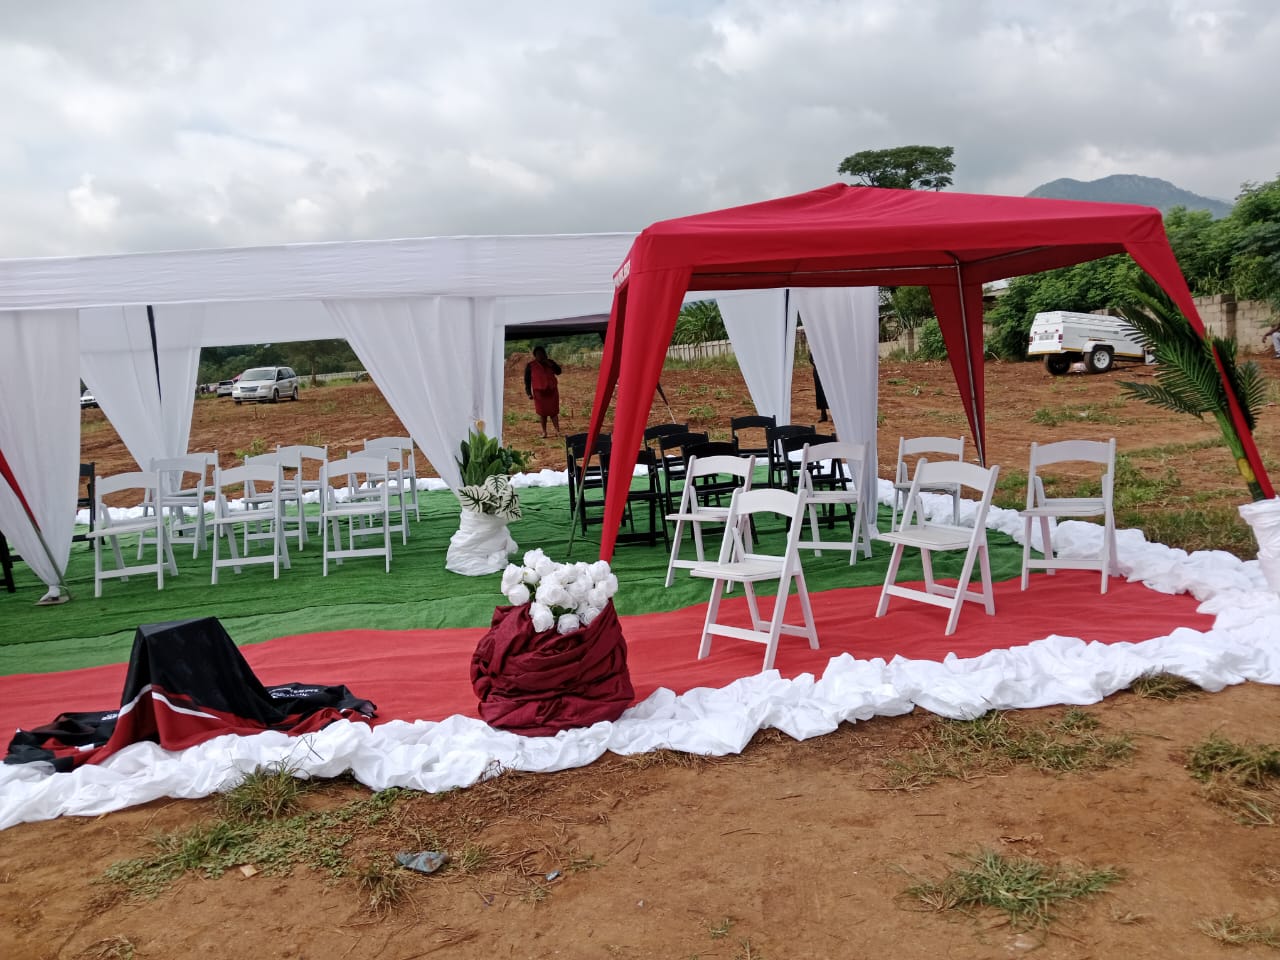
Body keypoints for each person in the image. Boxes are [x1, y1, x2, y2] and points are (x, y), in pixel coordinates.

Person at [524, 345, 563, 437]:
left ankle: (557, 431)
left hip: (552, 392)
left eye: (542, 354)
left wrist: (550, 364)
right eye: (538, 354)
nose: (541, 356)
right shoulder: (530, 366)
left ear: (545, 355)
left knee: (554, 412)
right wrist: (529, 393)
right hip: (539, 394)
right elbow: (527, 380)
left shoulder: (550, 363)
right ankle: (544, 432)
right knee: (542, 413)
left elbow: (559, 372)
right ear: (535, 356)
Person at [809, 349, 829, 422]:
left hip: (829, 370)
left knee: (832, 392)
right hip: (818, 371)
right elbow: (811, 358)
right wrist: (817, 365)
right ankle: (823, 414)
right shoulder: (815, 344)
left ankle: (836, 415)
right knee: (820, 392)